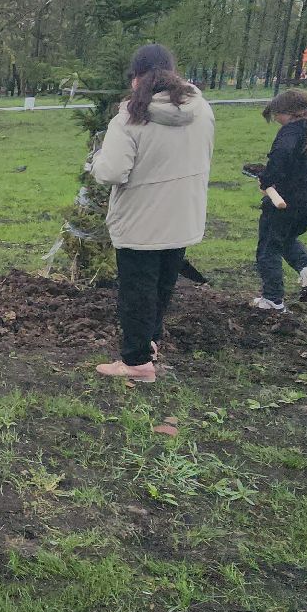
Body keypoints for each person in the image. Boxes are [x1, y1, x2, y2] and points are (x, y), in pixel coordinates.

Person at [89, 43, 215, 384]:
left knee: (136, 289)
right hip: (184, 215)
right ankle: (151, 343)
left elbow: (112, 172)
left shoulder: (130, 117)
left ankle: (136, 361)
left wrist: (96, 162)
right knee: (163, 285)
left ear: (136, 79)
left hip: (140, 221)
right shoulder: (202, 111)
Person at [251, 88, 307, 311]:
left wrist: (267, 179)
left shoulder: (292, 131)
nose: (277, 121)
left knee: (268, 245)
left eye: (277, 116)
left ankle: (272, 299)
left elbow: (282, 155)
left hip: (287, 200)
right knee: (284, 238)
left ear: (290, 113)